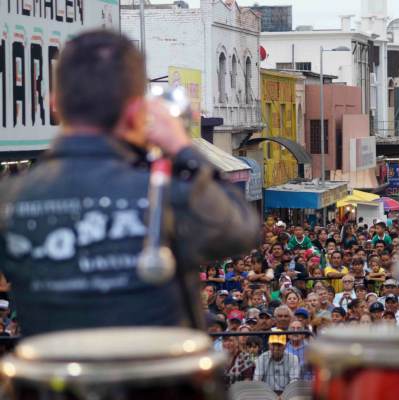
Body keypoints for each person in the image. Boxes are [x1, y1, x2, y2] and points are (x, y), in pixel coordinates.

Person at [0, 30, 258, 337]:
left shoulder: (9, 200)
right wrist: (182, 148)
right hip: (157, 366)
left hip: (50, 365)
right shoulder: (166, 192)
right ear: (137, 112)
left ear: (54, 103)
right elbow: (242, 230)